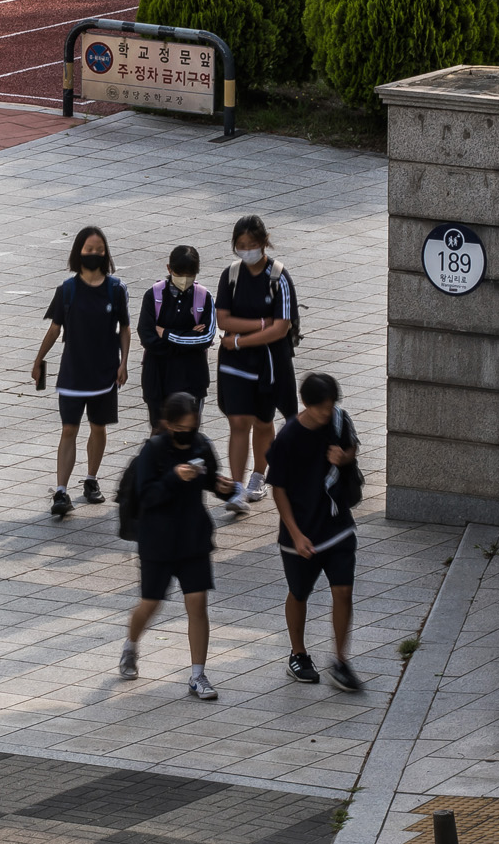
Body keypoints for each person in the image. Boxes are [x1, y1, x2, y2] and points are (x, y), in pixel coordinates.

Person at [120, 391, 235, 699]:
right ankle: (131, 645)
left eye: (193, 426)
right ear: (169, 425)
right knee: (151, 604)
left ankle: (198, 674)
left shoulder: (201, 444)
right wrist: (174, 477)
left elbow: (210, 479)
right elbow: (147, 496)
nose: (189, 433)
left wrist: (222, 487)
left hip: (193, 539)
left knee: (197, 603)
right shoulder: (153, 452)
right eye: (183, 428)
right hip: (158, 542)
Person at [266, 372, 361, 692]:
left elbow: (352, 450)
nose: (327, 412)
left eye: (331, 405)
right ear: (307, 404)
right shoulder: (289, 437)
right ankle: (298, 653)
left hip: (337, 525)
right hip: (302, 531)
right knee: (299, 593)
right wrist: (294, 534)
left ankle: (340, 660)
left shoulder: (338, 421)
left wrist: (344, 457)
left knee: (343, 592)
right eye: (321, 407)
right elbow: (277, 489)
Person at [32, 226, 130, 519]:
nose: (94, 254)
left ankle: (91, 479)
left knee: (98, 428)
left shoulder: (116, 289)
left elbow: (125, 328)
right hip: (73, 374)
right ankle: (61, 491)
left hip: (105, 374)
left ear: (106, 253)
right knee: (69, 429)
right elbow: (54, 329)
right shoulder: (68, 290)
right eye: (89, 250)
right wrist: (39, 360)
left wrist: (124, 363)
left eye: (99, 250)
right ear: (78, 252)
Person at [215, 215, 299, 514]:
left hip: (267, 362)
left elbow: (281, 328)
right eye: (240, 245)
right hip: (235, 365)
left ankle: (258, 477)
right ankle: (236, 488)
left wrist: (239, 340)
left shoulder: (278, 276)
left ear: (265, 242)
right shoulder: (232, 275)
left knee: (263, 422)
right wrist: (259, 324)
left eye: (252, 245)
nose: (246, 250)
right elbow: (222, 319)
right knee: (238, 421)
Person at [137, 245, 216, 430]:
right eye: (180, 273)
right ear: (169, 269)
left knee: (188, 433)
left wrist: (166, 333)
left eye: (191, 274)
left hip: (192, 379)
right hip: (158, 378)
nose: (185, 279)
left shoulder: (204, 297)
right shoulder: (153, 296)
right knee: (159, 432)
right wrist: (188, 339)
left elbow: (206, 338)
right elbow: (147, 337)